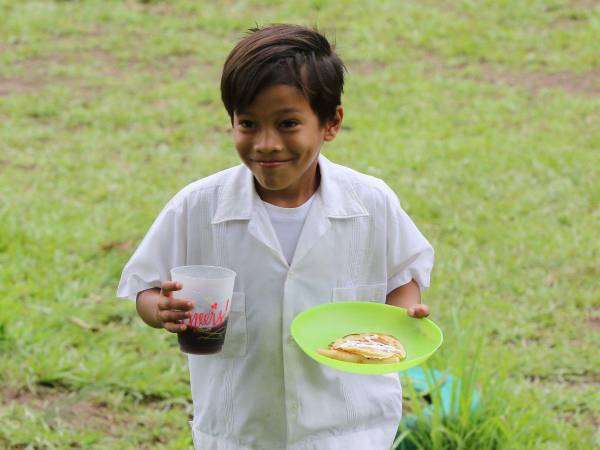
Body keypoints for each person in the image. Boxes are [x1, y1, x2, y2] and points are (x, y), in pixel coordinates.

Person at [117, 23, 434, 450]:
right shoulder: (198, 208)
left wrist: (402, 317)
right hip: (240, 430)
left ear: (331, 123)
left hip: (349, 430)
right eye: (248, 123)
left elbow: (403, 275)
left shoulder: (369, 203)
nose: (266, 144)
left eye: (287, 123)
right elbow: (144, 286)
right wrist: (161, 309)